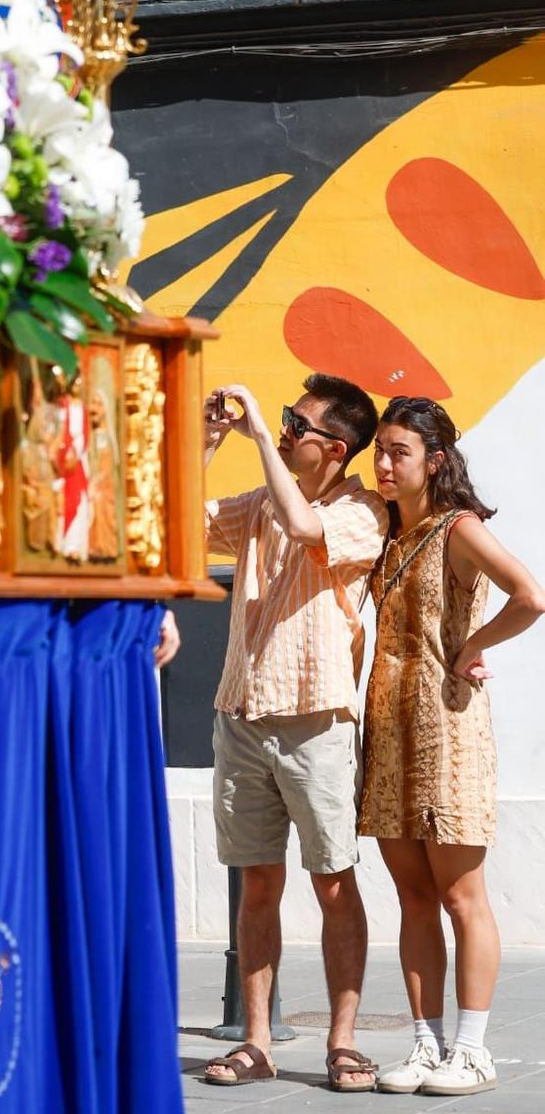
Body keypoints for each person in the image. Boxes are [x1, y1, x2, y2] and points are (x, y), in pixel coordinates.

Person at [200, 374, 386, 1092]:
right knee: (255, 886)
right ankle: (255, 1041)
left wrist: (253, 442)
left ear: (334, 449)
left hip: (317, 722)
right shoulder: (258, 505)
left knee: (333, 883)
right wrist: (210, 439)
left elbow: (306, 529)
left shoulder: (361, 509)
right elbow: (170, 518)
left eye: (294, 424)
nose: (279, 429)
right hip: (244, 713)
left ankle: (342, 1042)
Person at [360, 397, 545, 1097]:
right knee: (411, 895)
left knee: (460, 894)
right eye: (378, 449)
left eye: (397, 452)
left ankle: (472, 1050)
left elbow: (529, 595)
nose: (381, 463)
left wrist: (473, 645)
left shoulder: (456, 529)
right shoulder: (387, 533)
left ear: (433, 461)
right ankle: (423, 1044)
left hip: (448, 728)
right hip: (387, 727)